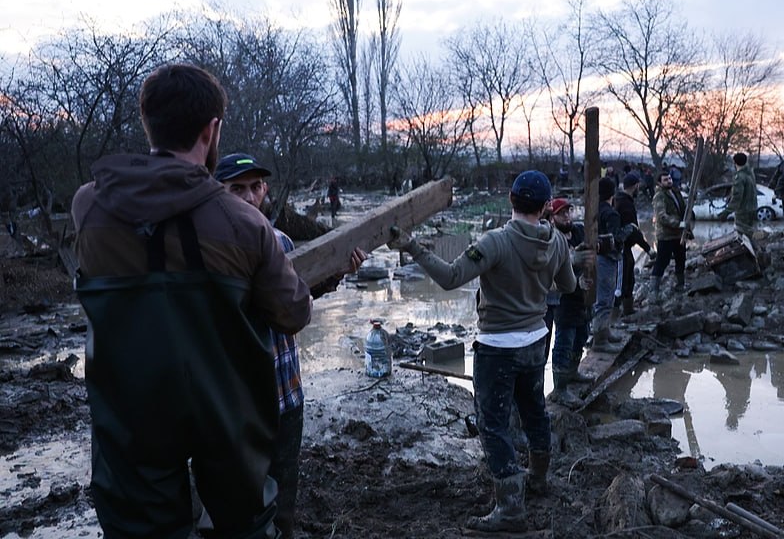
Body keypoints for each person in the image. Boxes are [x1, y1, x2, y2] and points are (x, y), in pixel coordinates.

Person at [72, 63, 312, 539]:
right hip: (224, 416)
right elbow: (293, 312)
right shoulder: (246, 226)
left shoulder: (88, 206)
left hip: (128, 416)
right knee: (244, 527)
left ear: (148, 124)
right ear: (212, 129)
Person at [387, 170, 577, 532]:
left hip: (497, 347)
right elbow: (568, 285)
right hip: (536, 340)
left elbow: (449, 277)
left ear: (511, 200)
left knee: (492, 425)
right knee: (535, 410)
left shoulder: (496, 241)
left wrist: (411, 245)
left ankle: (510, 509)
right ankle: (538, 479)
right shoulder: (556, 242)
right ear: (545, 207)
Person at [214, 153, 365, 538]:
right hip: (236, 404)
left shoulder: (280, 241)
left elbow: (296, 294)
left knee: (283, 492)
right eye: (237, 189)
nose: (249, 197)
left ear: (265, 190)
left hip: (286, 396)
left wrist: (337, 272)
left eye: (255, 187)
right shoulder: (209, 251)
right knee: (239, 500)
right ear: (218, 193)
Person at [547, 198, 594, 407]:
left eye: (568, 212)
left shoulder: (579, 231)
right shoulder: (552, 239)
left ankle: (573, 371)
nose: (566, 217)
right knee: (564, 341)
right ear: (552, 218)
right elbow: (553, 271)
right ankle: (560, 388)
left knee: (582, 334)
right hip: (563, 297)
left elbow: (592, 248)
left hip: (583, 296)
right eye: (561, 214)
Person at [592, 176, 633, 353]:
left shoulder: (593, 210)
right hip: (607, 259)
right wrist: (629, 229)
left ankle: (604, 331)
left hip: (595, 258)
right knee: (605, 299)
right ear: (613, 192)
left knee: (601, 298)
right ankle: (600, 340)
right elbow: (614, 240)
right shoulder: (611, 214)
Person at [613, 172, 653, 316]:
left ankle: (627, 310)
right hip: (622, 248)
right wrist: (648, 248)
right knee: (623, 281)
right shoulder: (625, 204)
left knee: (628, 278)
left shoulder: (621, 200)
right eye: (638, 185)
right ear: (635, 186)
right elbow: (633, 231)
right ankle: (616, 316)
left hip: (623, 247)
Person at [650, 170, 687, 299]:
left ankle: (680, 284)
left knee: (681, 259)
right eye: (665, 180)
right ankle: (653, 291)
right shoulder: (659, 196)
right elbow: (662, 216)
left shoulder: (676, 192)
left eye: (670, 179)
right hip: (665, 235)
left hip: (678, 234)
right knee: (662, 261)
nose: (669, 181)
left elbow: (683, 208)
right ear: (660, 183)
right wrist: (678, 223)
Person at [718, 152, 758, 241]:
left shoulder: (740, 177)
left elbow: (737, 197)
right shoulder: (750, 174)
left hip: (743, 211)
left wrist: (726, 212)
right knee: (749, 235)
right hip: (753, 208)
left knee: (741, 237)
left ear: (735, 163)